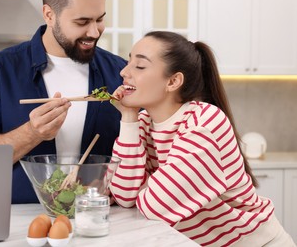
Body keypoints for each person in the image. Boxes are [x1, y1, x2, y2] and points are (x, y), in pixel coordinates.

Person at [108, 31, 296, 246]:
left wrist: (146, 186)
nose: (124, 71)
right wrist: (128, 117)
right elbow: (124, 197)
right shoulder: (140, 123)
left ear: (173, 81)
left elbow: (154, 206)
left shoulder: (203, 122)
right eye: (129, 61)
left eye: (139, 66)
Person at [0, 0, 126, 204]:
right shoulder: (0, 69)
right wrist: (32, 132)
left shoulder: (119, 71)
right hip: (19, 217)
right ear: (49, 15)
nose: (94, 32)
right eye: (82, 22)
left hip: (97, 214)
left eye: (100, 19)